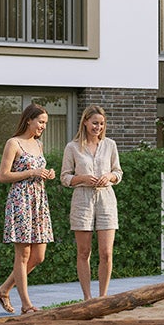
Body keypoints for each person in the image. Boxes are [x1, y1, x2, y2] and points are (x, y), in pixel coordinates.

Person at [0, 103, 56, 315]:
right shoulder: (13, 143)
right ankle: (26, 305)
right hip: (20, 201)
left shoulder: (39, 144)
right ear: (29, 120)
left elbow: (38, 171)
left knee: (38, 256)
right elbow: (4, 176)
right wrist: (32, 173)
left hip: (38, 201)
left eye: (45, 123)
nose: (43, 126)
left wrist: (46, 173)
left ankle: (3, 289)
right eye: (41, 122)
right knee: (23, 254)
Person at [63, 104, 122, 302]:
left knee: (106, 252)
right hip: (82, 200)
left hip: (106, 199)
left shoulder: (110, 145)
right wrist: (82, 178)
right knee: (84, 252)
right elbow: (65, 177)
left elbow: (118, 172)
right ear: (85, 122)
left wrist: (109, 176)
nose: (98, 127)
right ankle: (87, 299)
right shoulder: (72, 147)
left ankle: (103, 298)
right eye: (95, 123)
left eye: (102, 124)